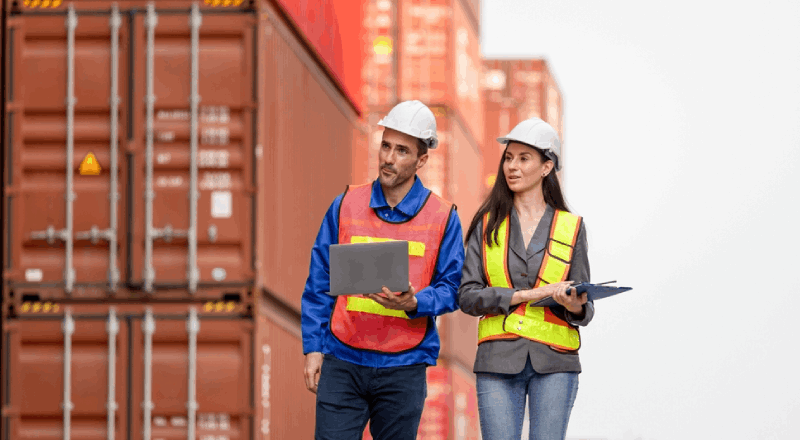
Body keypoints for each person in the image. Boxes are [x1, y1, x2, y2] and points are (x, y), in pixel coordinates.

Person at [300, 100, 464, 440]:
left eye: (402, 151)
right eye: (386, 145)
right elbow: (319, 280)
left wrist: (415, 302)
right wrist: (313, 348)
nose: (388, 158)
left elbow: (453, 287)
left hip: (404, 366)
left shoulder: (443, 217)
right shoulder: (345, 204)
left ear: (422, 160)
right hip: (343, 359)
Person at [458, 117, 593, 440]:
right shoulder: (487, 224)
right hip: (497, 362)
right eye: (508, 157)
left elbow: (585, 312)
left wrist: (574, 306)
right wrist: (524, 296)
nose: (512, 167)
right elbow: (467, 296)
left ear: (547, 167)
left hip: (555, 362)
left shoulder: (571, 227)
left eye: (523, 158)